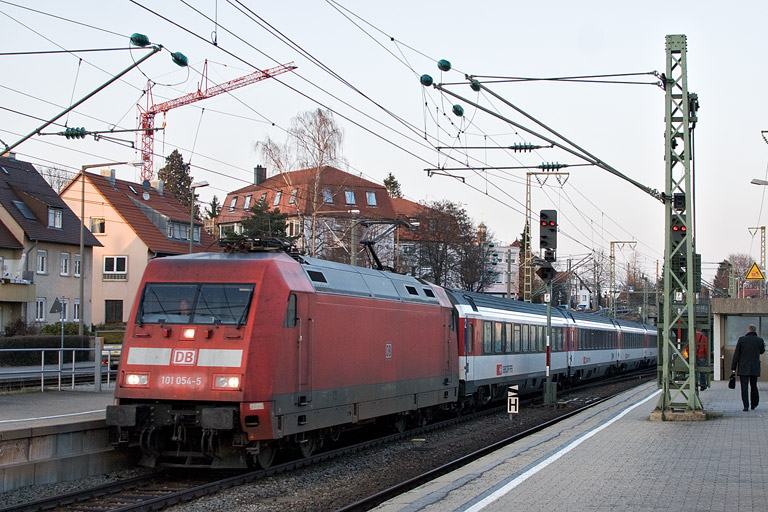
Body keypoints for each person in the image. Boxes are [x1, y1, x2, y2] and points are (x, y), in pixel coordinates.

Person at [731, 325, 766, 411]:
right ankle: (754, 404)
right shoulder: (759, 340)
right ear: (755, 331)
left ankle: (746, 406)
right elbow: (762, 351)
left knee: (744, 387)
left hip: (743, 367)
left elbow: (736, 355)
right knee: (753, 386)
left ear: (748, 330)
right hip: (754, 367)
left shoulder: (741, 340)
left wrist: (733, 368)